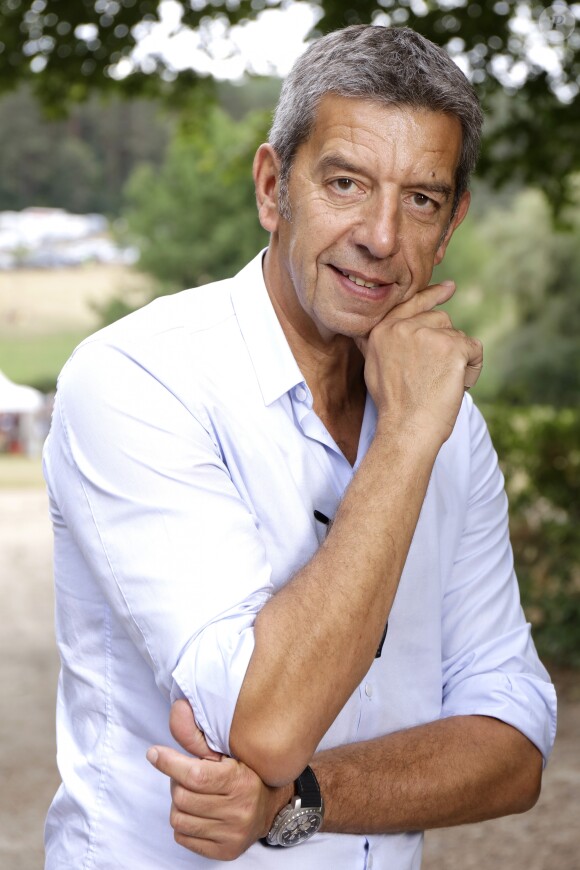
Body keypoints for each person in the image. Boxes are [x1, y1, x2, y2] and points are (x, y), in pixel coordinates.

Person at [43, 24, 556, 870]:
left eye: (421, 199)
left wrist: (301, 799)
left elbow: (514, 745)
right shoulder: (136, 379)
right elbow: (266, 722)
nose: (383, 237)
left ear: (453, 221)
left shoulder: (448, 420)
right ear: (274, 188)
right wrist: (403, 446)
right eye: (346, 183)